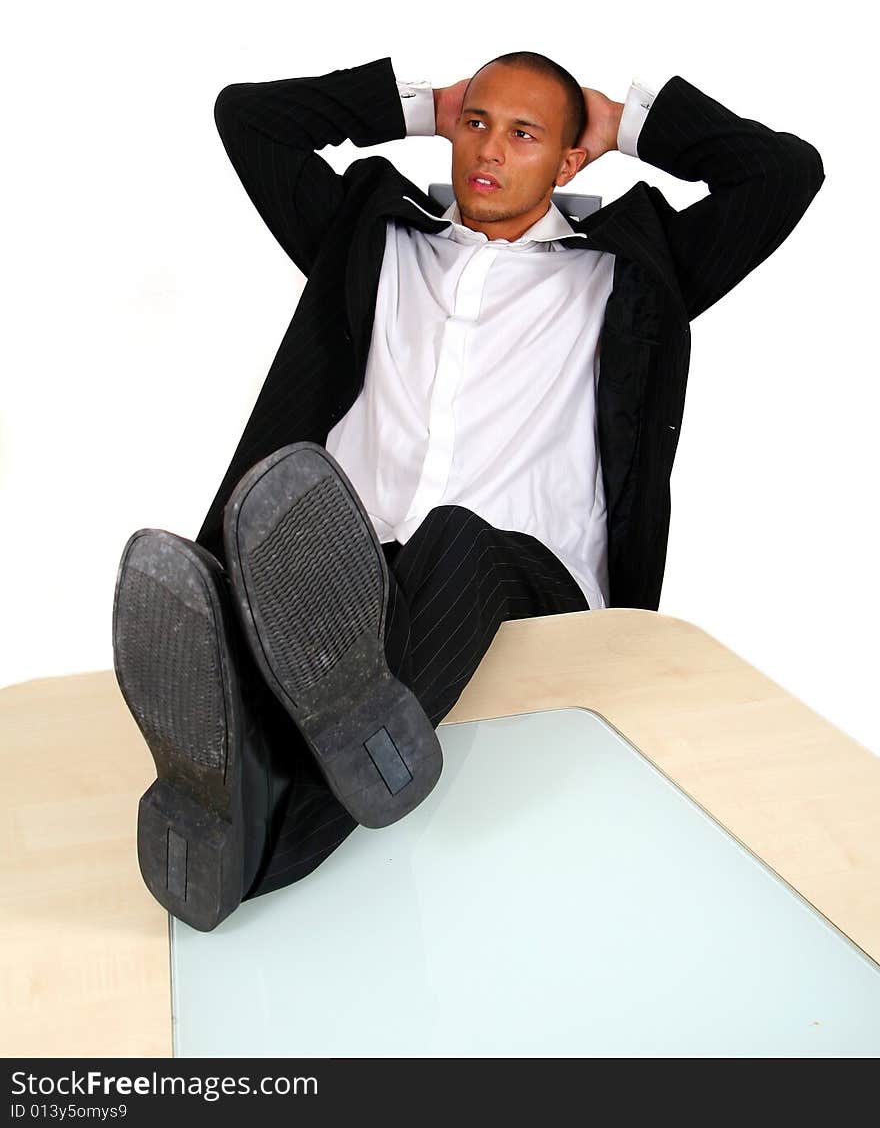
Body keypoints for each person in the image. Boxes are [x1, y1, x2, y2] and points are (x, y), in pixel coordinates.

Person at [112, 51, 824, 931]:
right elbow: (246, 118)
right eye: (477, 123)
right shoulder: (371, 234)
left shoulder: (632, 270)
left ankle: (259, 839)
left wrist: (628, 121)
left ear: (569, 160)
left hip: (525, 578)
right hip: (342, 578)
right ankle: (257, 748)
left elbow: (785, 174)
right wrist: (423, 104)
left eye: (524, 134)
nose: (486, 148)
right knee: (237, 572)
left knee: (457, 538)